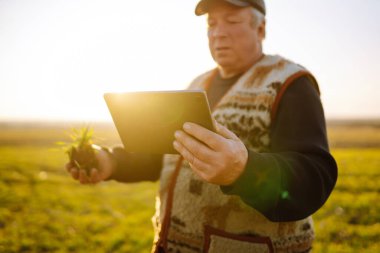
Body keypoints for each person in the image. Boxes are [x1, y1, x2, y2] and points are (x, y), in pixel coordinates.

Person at [66, 0, 338, 252]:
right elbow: (167, 153)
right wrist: (111, 162)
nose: (218, 33)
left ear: (261, 28)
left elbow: (314, 177)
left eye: (232, 21)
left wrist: (243, 170)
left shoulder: (290, 83)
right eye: (211, 24)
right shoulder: (197, 85)